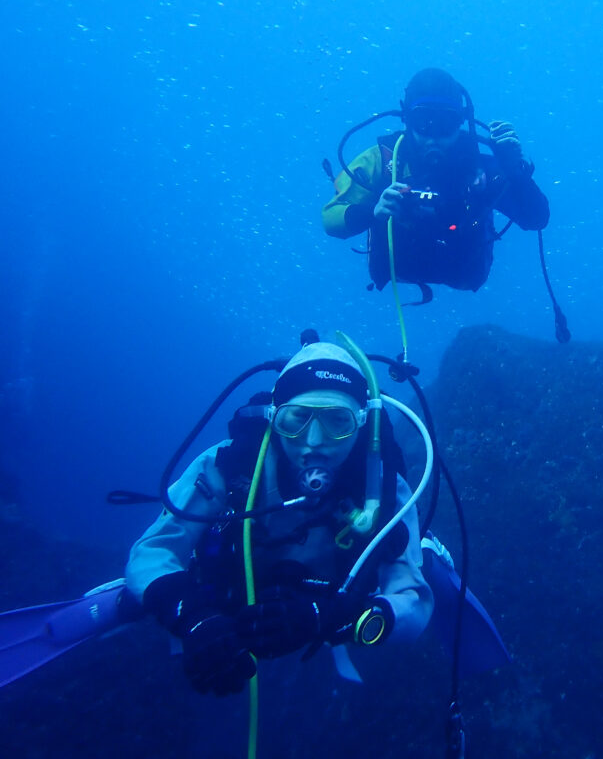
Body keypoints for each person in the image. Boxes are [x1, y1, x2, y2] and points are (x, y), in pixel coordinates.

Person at [124, 339, 433, 696]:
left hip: (327, 609)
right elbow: (153, 550)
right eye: (297, 419)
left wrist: (331, 617)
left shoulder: (383, 490)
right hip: (226, 597)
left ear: (362, 424)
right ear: (273, 417)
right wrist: (192, 617)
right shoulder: (228, 465)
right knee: (151, 589)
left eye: (337, 421)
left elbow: (415, 603)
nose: (314, 442)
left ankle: (427, 551)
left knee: (409, 560)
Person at [322, 68, 550, 293]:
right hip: (399, 267)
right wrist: (373, 212)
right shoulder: (382, 161)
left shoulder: (479, 167)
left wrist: (516, 174)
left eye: (446, 123)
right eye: (423, 121)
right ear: (407, 119)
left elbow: (536, 219)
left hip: (463, 271)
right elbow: (330, 219)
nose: (434, 137)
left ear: (460, 121)